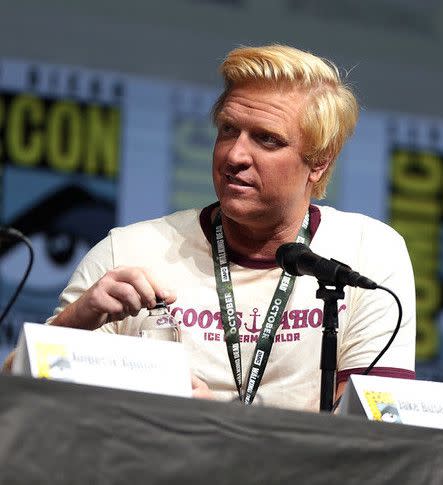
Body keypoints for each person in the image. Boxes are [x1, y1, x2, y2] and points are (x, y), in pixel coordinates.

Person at [3, 44, 416, 410]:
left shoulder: (368, 253)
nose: (235, 154)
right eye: (228, 130)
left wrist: (217, 427)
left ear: (319, 161)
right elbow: (12, 395)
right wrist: (78, 319)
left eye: (267, 140)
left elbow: (377, 435)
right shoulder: (127, 252)